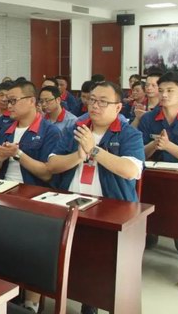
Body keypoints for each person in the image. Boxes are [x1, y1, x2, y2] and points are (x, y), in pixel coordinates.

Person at [47, 81, 145, 314]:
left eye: (103, 102)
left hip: (110, 209)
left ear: (118, 107)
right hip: (69, 203)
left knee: (102, 265)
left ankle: (92, 302)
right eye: (92, 100)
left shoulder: (130, 134)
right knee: (65, 258)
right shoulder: (75, 129)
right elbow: (52, 164)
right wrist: (78, 156)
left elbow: (131, 171)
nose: (95, 106)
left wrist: (94, 150)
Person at [138, 71, 178, 255]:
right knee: (150, 239)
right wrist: (154, 145)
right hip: (152, 179)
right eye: (161, 90)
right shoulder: (148, 118)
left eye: (170, 90)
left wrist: (167, 146)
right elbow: (138, 155)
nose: (164, 95)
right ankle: (152, 230)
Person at [0, 80, 59, 186]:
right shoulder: (6, 130)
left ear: (31, 101)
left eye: (13, 101)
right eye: (8, 101)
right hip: (3, 187)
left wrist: (18, 154)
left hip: (32, 191)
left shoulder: (50, 131)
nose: (9, 106)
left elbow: (48, 174)